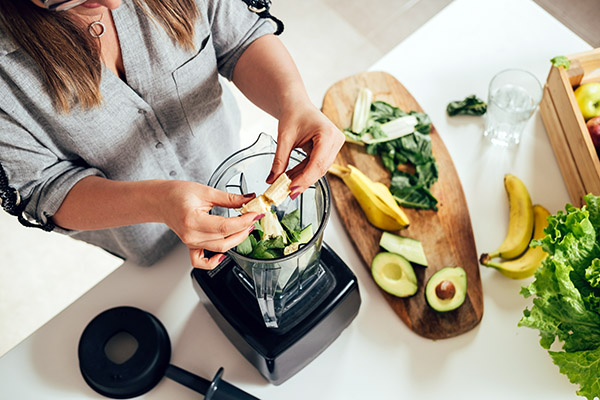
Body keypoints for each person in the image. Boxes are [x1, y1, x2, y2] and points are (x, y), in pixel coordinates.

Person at [0, 0, 344, 269]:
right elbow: (43, 189)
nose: (114, 5)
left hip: (219, 159)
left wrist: (293, 100)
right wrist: (157, 202)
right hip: (142, 239)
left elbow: (239, 39)